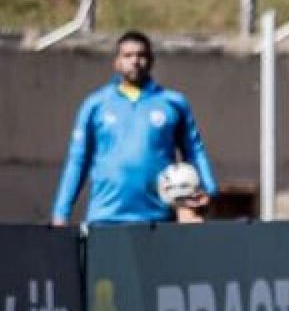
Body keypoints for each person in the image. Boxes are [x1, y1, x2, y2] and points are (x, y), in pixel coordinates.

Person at [51, 30, 217, 225]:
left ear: (151, 61)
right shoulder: (95, 104)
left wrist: (209, 189)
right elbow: (78, 160)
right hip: (105, 217)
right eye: (128, 56)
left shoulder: (173, 103)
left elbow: (194, 151)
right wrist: (61, 213)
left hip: (158, 218)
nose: (135, 61)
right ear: (116, 62)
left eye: (141, 56)